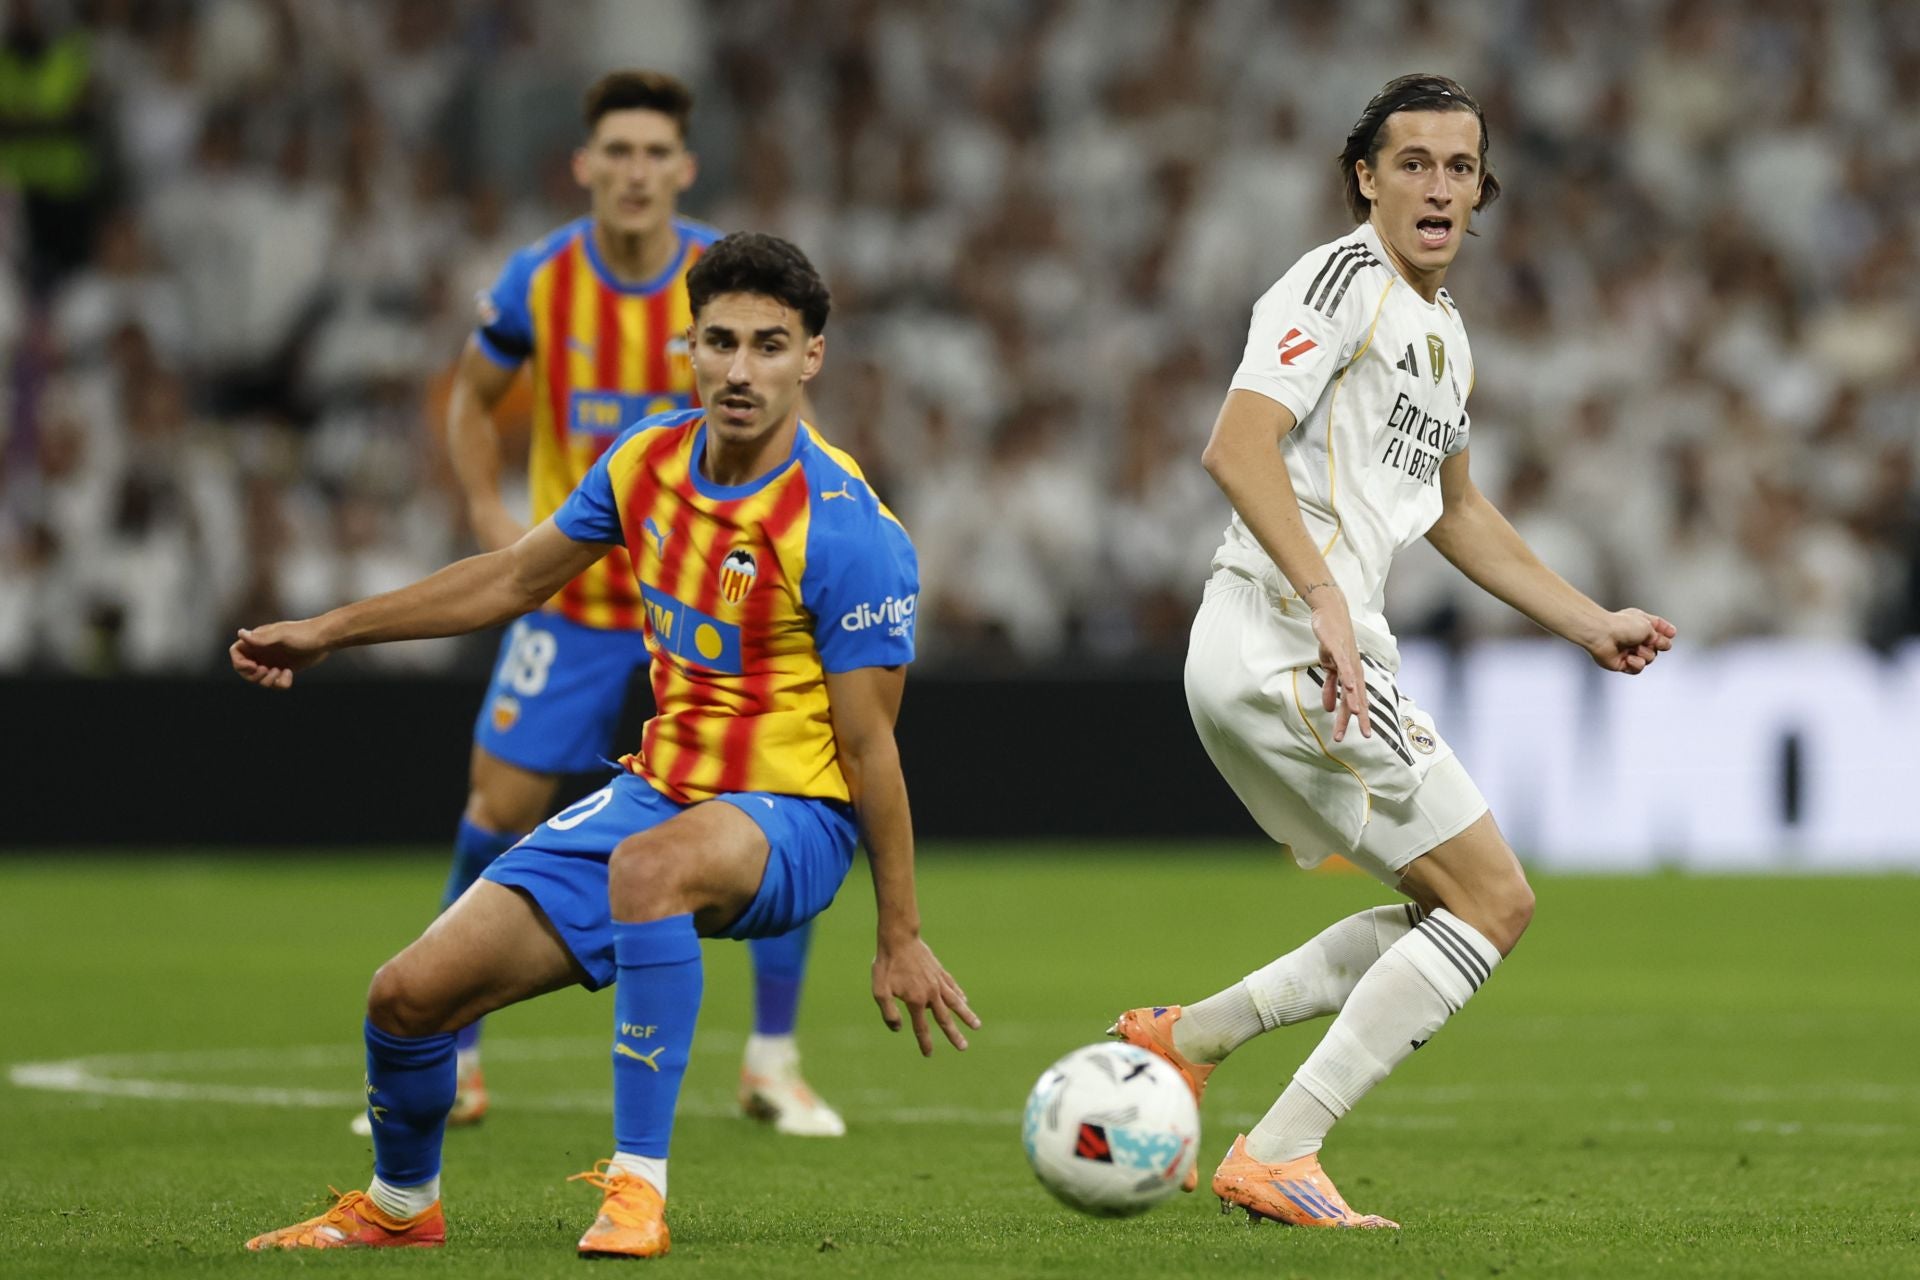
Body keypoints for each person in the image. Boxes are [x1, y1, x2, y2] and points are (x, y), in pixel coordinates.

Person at [233, 232, 978, 1258]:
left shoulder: (849, 527)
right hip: (658, 796)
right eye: (720, 341)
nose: (740, 368)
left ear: (812, 355)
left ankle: (636, 1187)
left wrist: (899, 928)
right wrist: (330, 629)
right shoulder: (645, 461)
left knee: (647, 866)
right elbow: (508, 580)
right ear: (689, 346)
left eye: (770, 344)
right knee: (405, 996)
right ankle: (401, 1204)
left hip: (796, 820)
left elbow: (871, 746)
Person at [1111, 74, 1675, 1229]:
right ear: (1364, 177)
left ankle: (1191, 1037)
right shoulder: (1340, 282)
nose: (1437, 186)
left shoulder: (1444, 335)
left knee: (1452, 908)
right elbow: (1237, 442)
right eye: (1411, 162)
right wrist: (1321, 595)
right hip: (1286, 636)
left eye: (1459, 167)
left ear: (1482, 191)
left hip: (1314, 644)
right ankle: (1280, 1148)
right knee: (1496, 900)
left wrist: (1587, 619)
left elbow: (1457, 512)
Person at [398, 69, 842, 1141]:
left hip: (722, 606)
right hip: (582, 597)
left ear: (683, 168)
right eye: (618, 152)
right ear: (584, 164)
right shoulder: (538, 279)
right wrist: (484, 505)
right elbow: (472, 396)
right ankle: (456, 1050)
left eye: (656, 154)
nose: (636, 171)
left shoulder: (722, 288)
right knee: (498, 802)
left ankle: (773, 1060)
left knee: (782, 789)